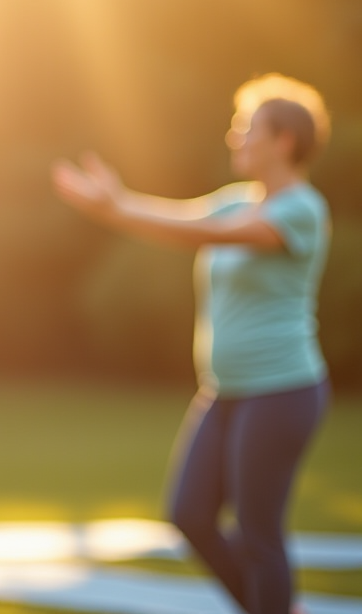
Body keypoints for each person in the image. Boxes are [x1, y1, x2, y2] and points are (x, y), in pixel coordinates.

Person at [52, 73, 332, 614]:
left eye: (247, 129)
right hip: (224, 391)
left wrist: (118, 208)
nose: (236, 138)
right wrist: (115, 206)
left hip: (281, 391)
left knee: (258, 532)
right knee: (191, 515)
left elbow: (203, 234)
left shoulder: (301, 210)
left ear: (284, 143)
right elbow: (179, 218)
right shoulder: (235, 202)